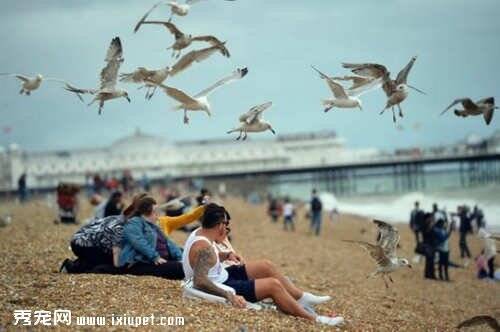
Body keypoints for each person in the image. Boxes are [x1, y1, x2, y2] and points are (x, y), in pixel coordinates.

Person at [183, 203, 344, 326]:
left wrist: (226, 254)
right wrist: (229, 296)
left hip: (221, 275)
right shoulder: (203, 247)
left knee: (266, 266)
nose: (227, 230)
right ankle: (314, 319)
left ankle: (301, 298)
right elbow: (200, 281)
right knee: (273, 285)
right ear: (219, 225)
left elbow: (206, 261)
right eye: (227, 226)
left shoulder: (200, 233)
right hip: (223, 285)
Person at [60, 193, 205, 275]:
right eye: (153, 211)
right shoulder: (126, 226)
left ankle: (76, 266)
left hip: (85, 237)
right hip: (83, 243)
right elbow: (124, 247)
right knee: (105, 262)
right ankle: (74, 267)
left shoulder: (155, 221)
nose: (156, 215)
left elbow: (182, 222)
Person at [118, 196, 184, 279]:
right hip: (139, 263)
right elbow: (138, 241)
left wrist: (181, 258)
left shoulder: (154, 226)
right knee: (179, 268)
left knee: (184, 256)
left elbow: (169, 243)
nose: (157, 215)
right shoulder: (134, 223)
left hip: (158, 260)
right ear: (148, 212)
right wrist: (155, 257)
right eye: (155, 211)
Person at [421, 213, 437, 280]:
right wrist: (431, 226)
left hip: (431, 245)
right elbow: (426, 234)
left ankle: (430, 275)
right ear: (427, 218)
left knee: (431, 261)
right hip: (428, 245)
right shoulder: (425, 225)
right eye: (430, 218)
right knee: (429, 261)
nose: (431, 219)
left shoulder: (430, 225)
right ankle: (429, 275)